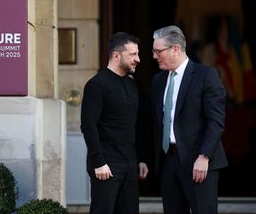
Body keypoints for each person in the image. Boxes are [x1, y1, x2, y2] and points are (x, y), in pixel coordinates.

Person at [150, 25, 228, 214]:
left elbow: (215, 121)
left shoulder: (206, 75)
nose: (154, 56)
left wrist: (204, 156)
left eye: (158, 51)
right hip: (168, 162)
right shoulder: (158, 80)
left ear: (175, 49)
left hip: (199, 161)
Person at [80, 32, 149, 214]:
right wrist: (99, 162)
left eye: (137, 54)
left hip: (130, 164)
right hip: (107, 165)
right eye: (132, 54)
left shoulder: (131, 84)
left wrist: (141, 159)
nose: (138, 59)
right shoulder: (97, 84)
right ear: (116, 56)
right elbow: (88, 126)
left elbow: (136, 124)